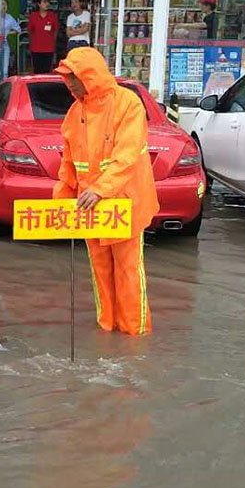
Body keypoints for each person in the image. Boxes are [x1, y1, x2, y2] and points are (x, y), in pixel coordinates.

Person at [53, 47, 159, 336]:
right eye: (67, 78)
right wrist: (59, 207)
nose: (69, 84)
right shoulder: (75, 113)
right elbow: (69, 165)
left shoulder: (128, 104)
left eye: (72, 77)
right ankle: (107, 328)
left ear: (88, 76)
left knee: (128, 272)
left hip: (124, 206)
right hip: (91, 209)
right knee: (101, 272)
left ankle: (135, 335)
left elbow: (128, 156)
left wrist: (100, 189)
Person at [27, 0, 59, 74]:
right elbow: (30, 31)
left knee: (47, 71)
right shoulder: (33, 16)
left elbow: (55, 31)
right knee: (37, 71)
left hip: (49, 48)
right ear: (39, 4)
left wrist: (52, 42)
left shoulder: (53, 16)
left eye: (48, 2)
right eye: (44, 2)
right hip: (36, 48)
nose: (47, 4)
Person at [0, 0, 22, 78]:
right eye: (1, 4)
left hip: (4, 44)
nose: (3, 6)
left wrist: (7, 33)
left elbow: (18, 30)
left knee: (4, 70)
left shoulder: (9, 18)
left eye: (5, 4)